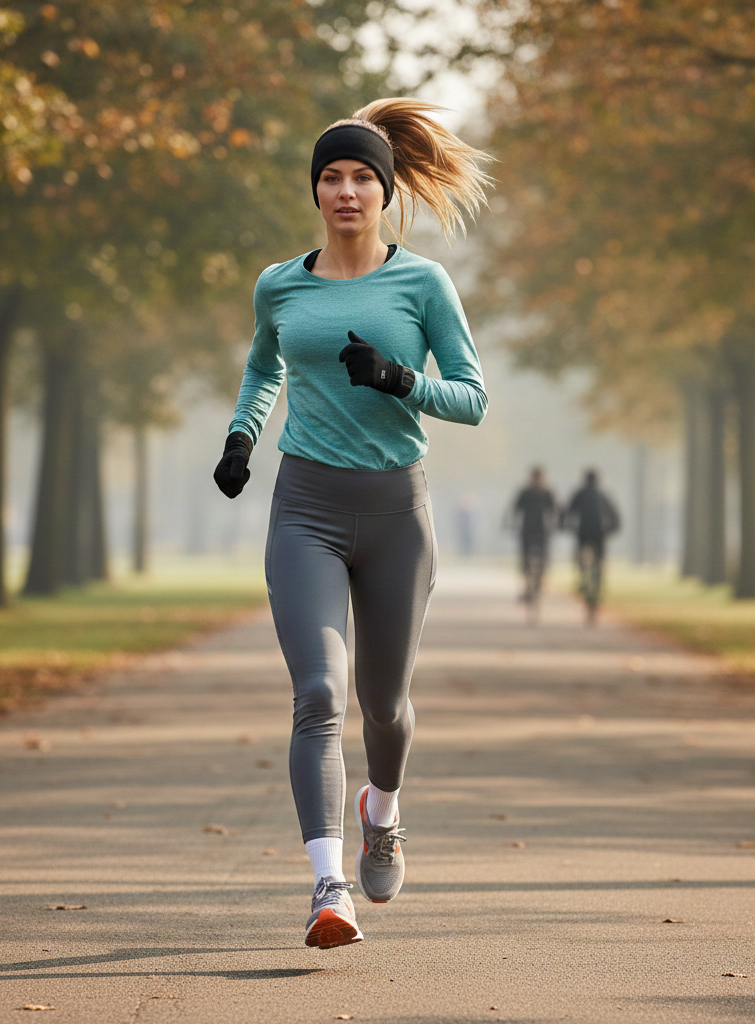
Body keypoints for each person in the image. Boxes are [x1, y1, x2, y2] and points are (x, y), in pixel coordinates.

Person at [212, 99, 492, 949]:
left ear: (387, 191)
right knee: (320, 696)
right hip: (307, 508)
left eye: (361, 177)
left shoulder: (422, 283)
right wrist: (239, 436)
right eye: (330, 177)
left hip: (397, 512)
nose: (345, 191)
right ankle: (327, 886)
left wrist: (401, 381)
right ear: (316, 191)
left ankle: (384, 811)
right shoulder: (279, 284)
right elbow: (263, 368)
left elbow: (473, 400)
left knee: (385, 705)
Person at [561, 469, 620, 622]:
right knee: (599, 561)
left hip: (584, 532)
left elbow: (567, 511)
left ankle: (582, 579)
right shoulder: (603, 495)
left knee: (580, 556)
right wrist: (612, 528)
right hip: (600, 533)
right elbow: (614, 515)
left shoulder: (579, 493)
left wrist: (565, 526)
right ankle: (599, 583)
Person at [508, 467, 557, 616]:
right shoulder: (546, 492)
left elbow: (515, 510)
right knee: (533, 558)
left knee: (535, 559)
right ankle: (532, 581)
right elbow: (555, 511)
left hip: (532, 531)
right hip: (537, 531)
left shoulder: (528, 492)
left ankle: (535, 581)